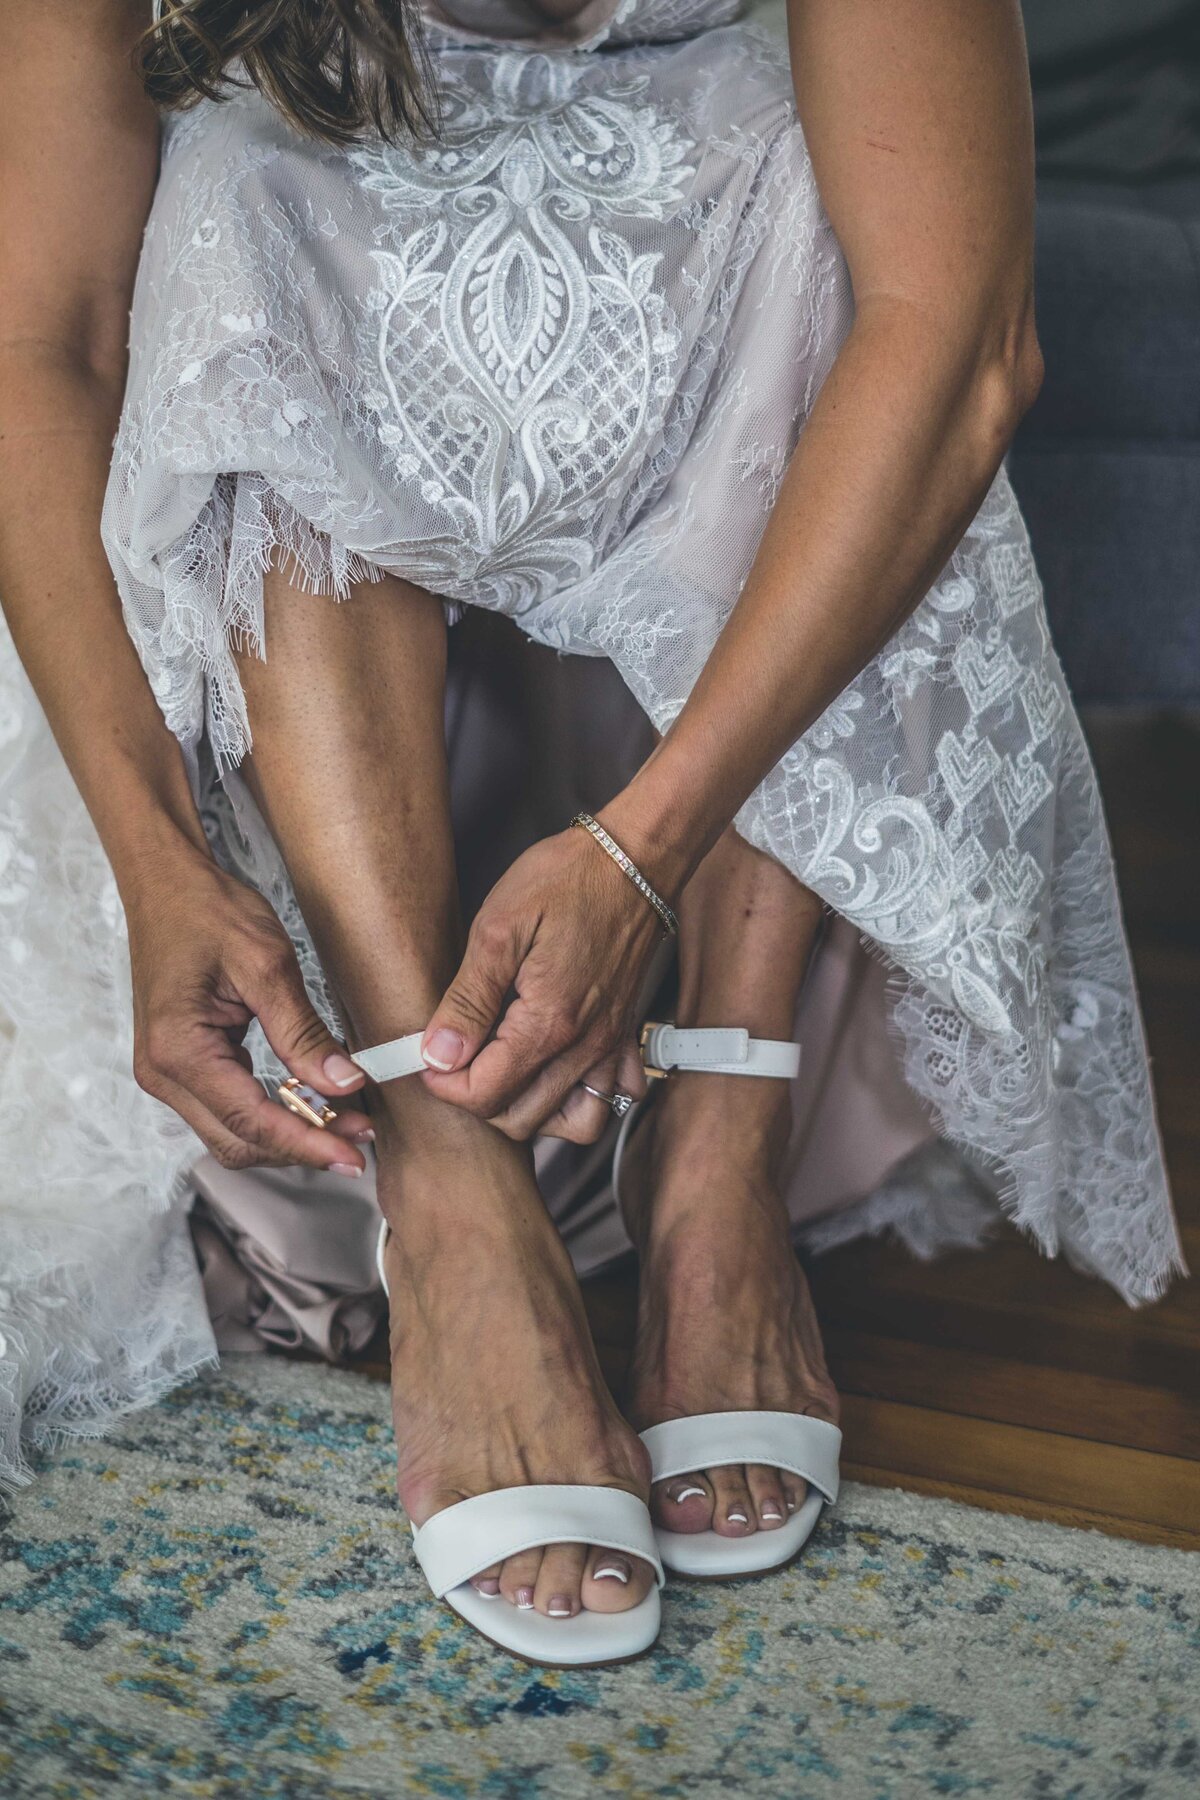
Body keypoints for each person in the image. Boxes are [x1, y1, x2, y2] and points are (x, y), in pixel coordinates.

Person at [0, 0, 1180, 1661]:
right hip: (333, 359)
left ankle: (719, 1147)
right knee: (247, 188)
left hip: (714, 287)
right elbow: (43, 336)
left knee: (825, 201)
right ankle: (449, 1174)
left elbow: (960, 332)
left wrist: (646, 847)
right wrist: (153, 859)